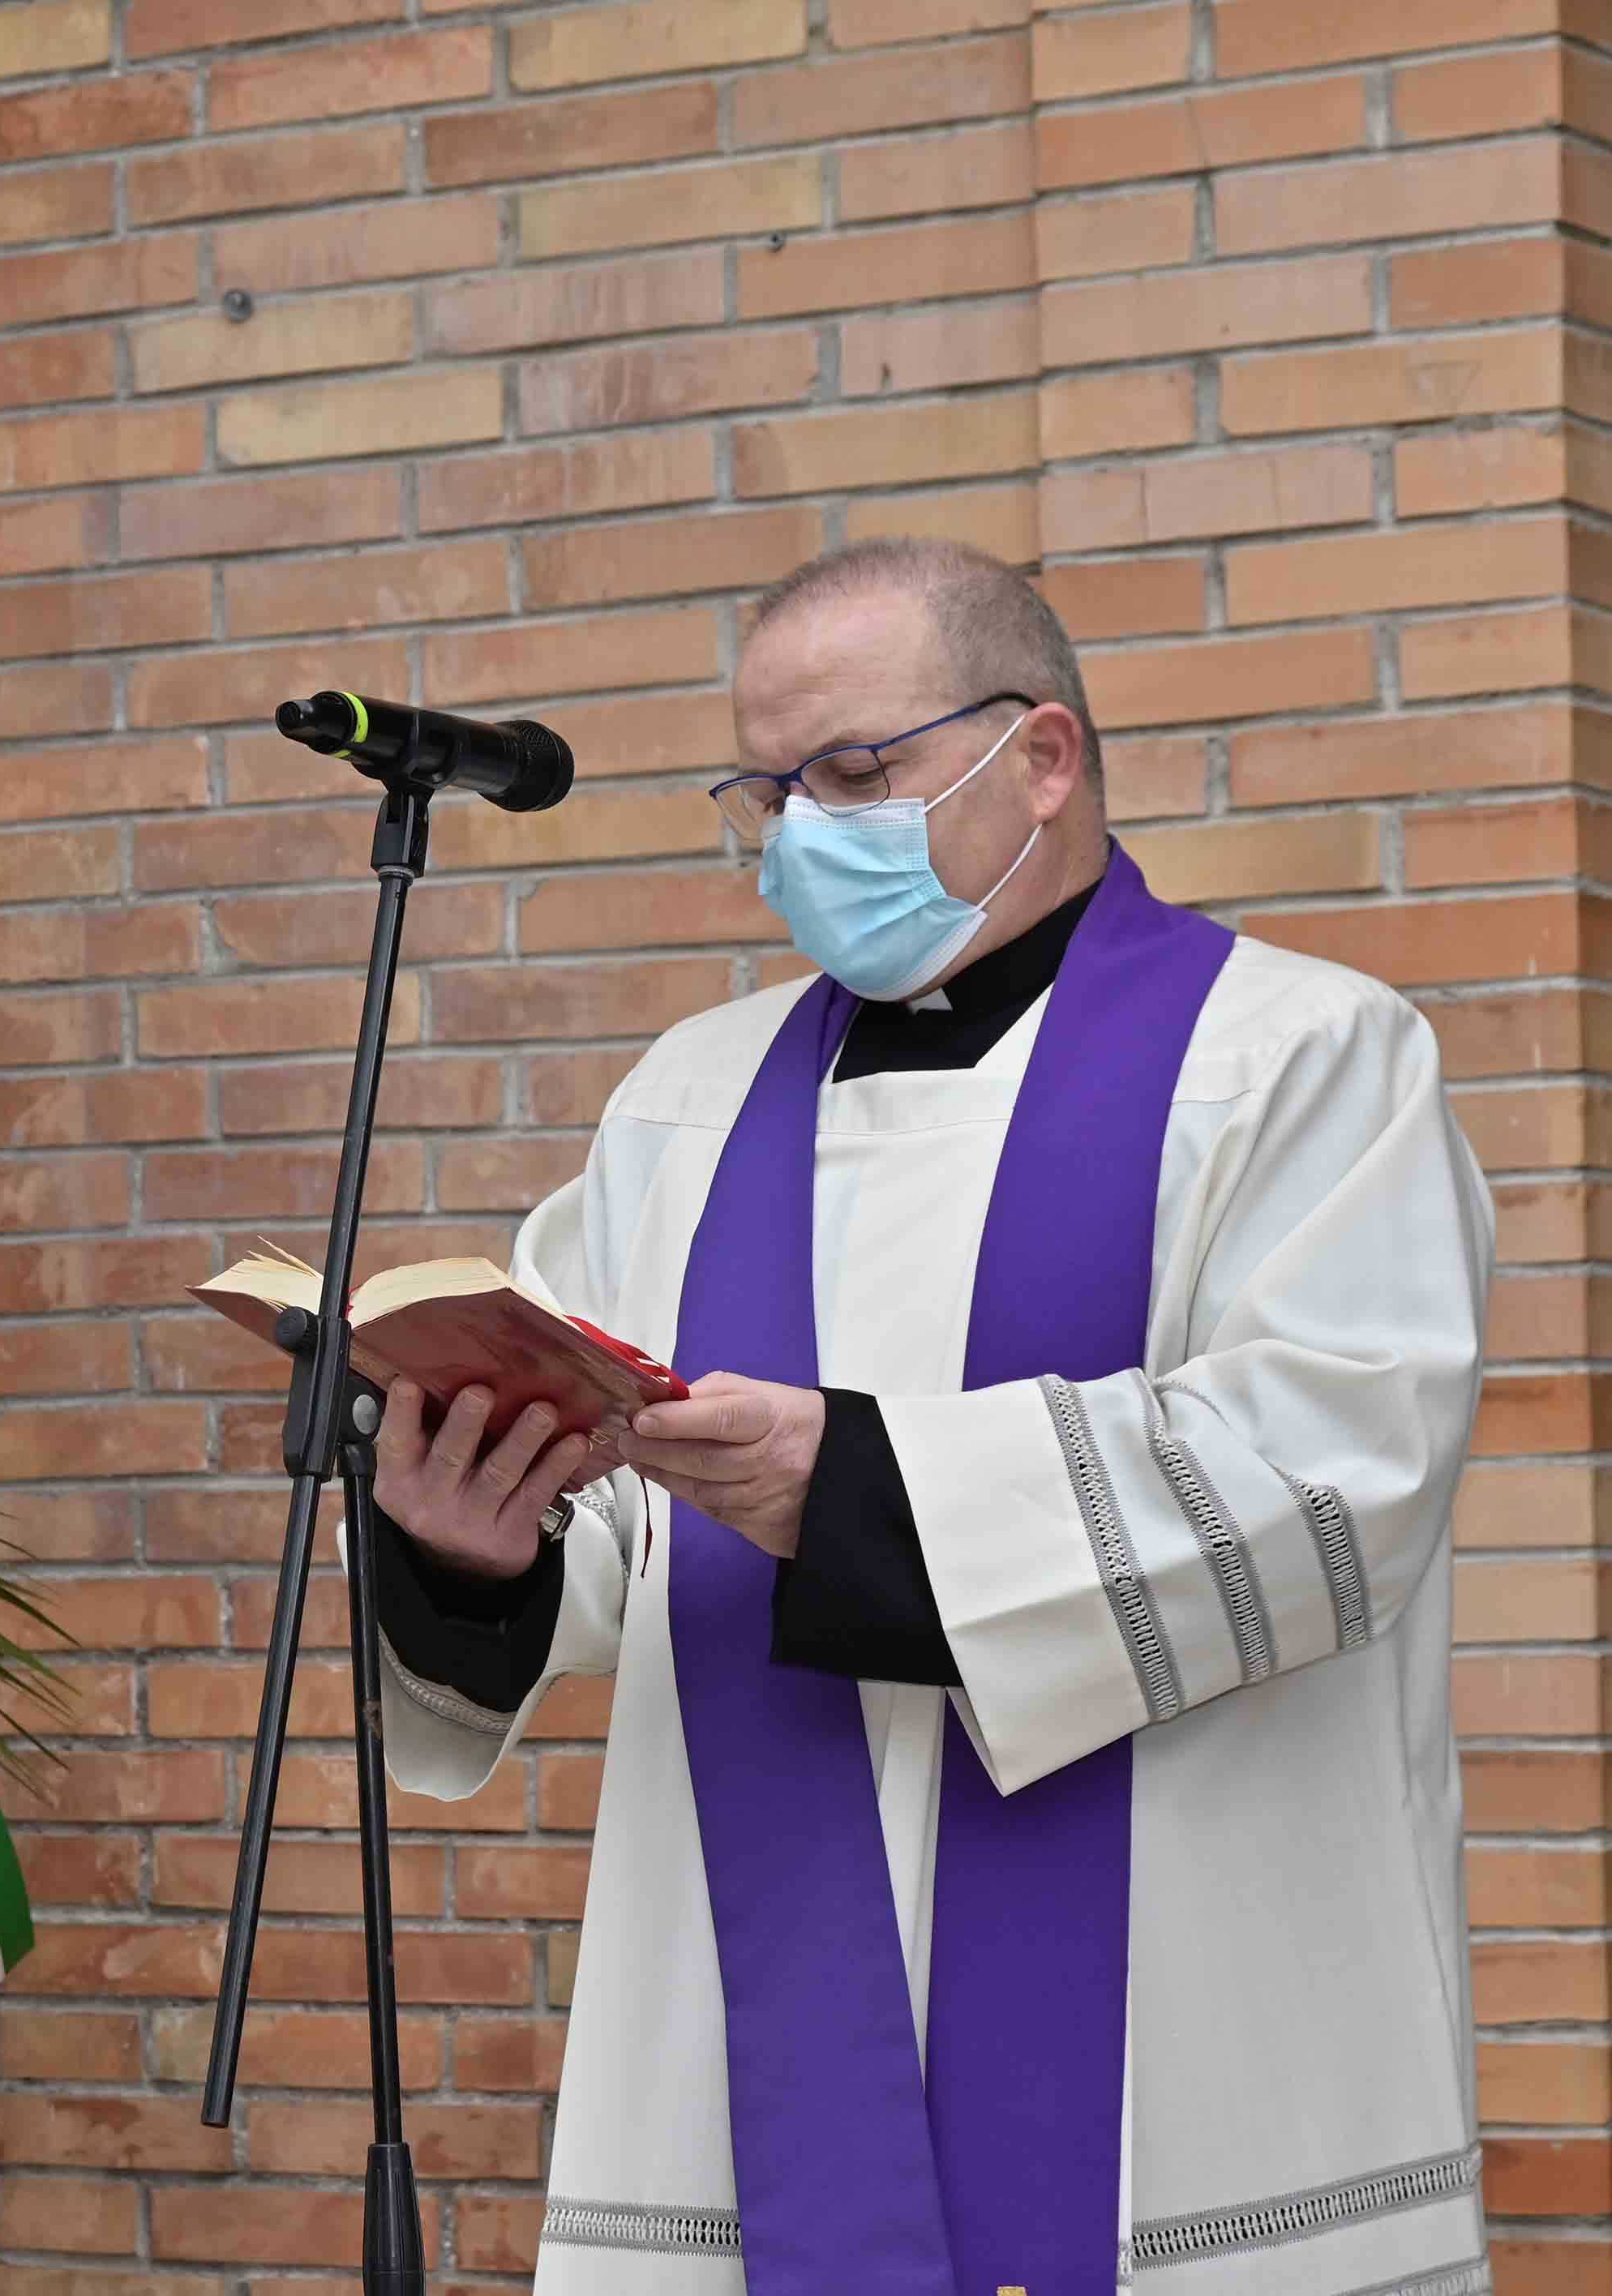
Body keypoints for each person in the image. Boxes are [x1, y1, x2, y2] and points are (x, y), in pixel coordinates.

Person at [365, 537, 1495, 2296]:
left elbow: (1338, 1475)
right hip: (751, 2050)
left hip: (1181, 2083)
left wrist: (859, 1492)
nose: (797, 837)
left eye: (850, 774)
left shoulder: (1298, 1059)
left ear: (1040, 758)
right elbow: (615, 1530)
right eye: (764, 793)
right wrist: (477, 1548)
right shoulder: (686, 1105)